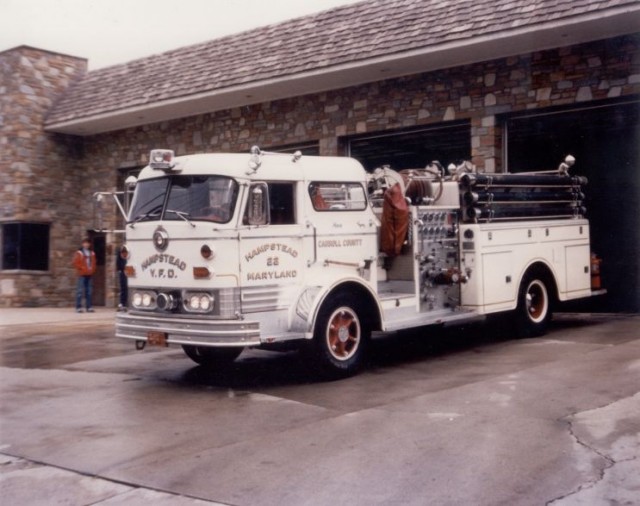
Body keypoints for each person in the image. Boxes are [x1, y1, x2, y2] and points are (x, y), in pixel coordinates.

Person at [72, 238, 96, 312]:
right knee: (80, 291)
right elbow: (75, 263)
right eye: (85, 243)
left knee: (89, 291)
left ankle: (89, 307)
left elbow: (94, 263)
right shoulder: (79, 253)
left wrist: (92, 270)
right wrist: (82, 268)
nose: (86, 244)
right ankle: (78, 307)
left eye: (87, 243)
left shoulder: (92, 253)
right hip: (82, 274)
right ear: (82, 244)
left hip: (89, 274)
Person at [116, 246, 128, 311]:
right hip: (122, 271)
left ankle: (124, 303)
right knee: (123, 288)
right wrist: (121, 269)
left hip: (129, 270)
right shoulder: (120, 250)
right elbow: (118, 263)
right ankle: (122, 303)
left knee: (126, 288)